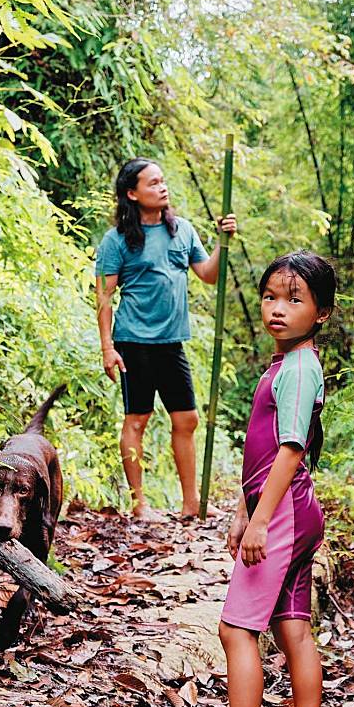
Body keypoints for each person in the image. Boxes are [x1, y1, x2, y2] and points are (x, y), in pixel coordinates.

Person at [184, 250, 336, 707]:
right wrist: (243, 509)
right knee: (292, 628)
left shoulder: (299, 369)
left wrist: (260, 522)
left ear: (321, 313)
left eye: (294, 300)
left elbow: (292, 449)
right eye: (271, 296)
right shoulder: (287, 365)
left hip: (285, 515)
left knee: (235, 629)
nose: (278, 308)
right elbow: (266, 449)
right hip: (290, 511)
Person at [95, 157, 236, 520]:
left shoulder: (182, 230)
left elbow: (208, 274)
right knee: (137, 420)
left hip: (171, 343)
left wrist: (223, 242)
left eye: (163, 180)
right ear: (132, 193)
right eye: (152, 182)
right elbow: (105, 297)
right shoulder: (117, 240)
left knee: (186, 419)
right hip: (134, 343)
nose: (162, 187)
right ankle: (139, 505)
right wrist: (108, 348)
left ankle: (191, 504)